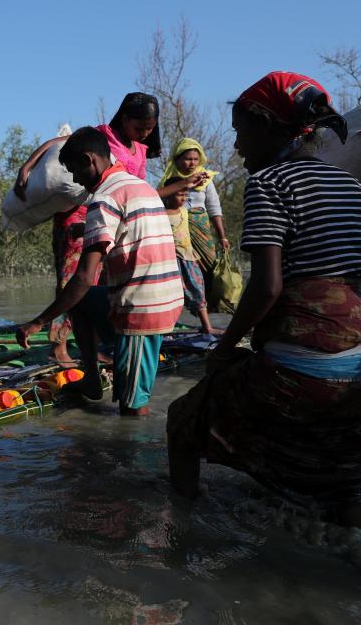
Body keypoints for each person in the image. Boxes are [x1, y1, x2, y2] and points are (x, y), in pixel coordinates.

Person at [167, 72, 361, 524]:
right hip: (356, 368)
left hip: (301, 365)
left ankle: (179, 538)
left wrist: (224, 346)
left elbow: (267, 287)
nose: (236, 146)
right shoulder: (351, 187)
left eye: (240, 132)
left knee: (182, 419)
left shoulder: (270, 183)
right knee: (346, 471)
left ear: (269, 126)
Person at [16, 127, 183, 416]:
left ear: (88, 160)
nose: (75, 179)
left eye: (74, 171)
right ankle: (92, 379)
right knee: (84, 300)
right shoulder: (139, 185)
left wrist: (38, 321)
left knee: (132, 410)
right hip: (166, 298)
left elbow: (82, 278)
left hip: (143, 309)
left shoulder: (103, 199)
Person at [14, 94, 161, 366]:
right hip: (80, 217)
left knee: (101, 285)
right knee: (73, 281)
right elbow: (60, 144)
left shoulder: (140, 150)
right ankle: (58, 347)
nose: (144, 134)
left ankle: (92, 348)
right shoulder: (101, 135)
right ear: (125, 118)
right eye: (139, 127)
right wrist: (28, 164)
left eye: (149, 129)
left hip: (112, 223)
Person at [157, 137, 229, 291]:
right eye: (188, 159)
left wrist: (222, 236)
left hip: (201, 228)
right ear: (177, 159)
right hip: (177, 230)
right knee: (181, 263)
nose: (193, 163)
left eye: (196, 159)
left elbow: (214, 207)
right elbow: (158, 203)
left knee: (209, 262)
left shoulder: (205, 179)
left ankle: (209, 297)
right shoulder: (168, 181)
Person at [161, 178, 217, 334]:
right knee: (169, 294)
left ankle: (207, 326)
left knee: (198, 290)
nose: (184, 198)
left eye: (185, 195)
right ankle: (166, 326)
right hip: (171, 261)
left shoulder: (186, 212)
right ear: (169, 195)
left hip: (189, 258)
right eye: (179, 195)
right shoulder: (162, 214)